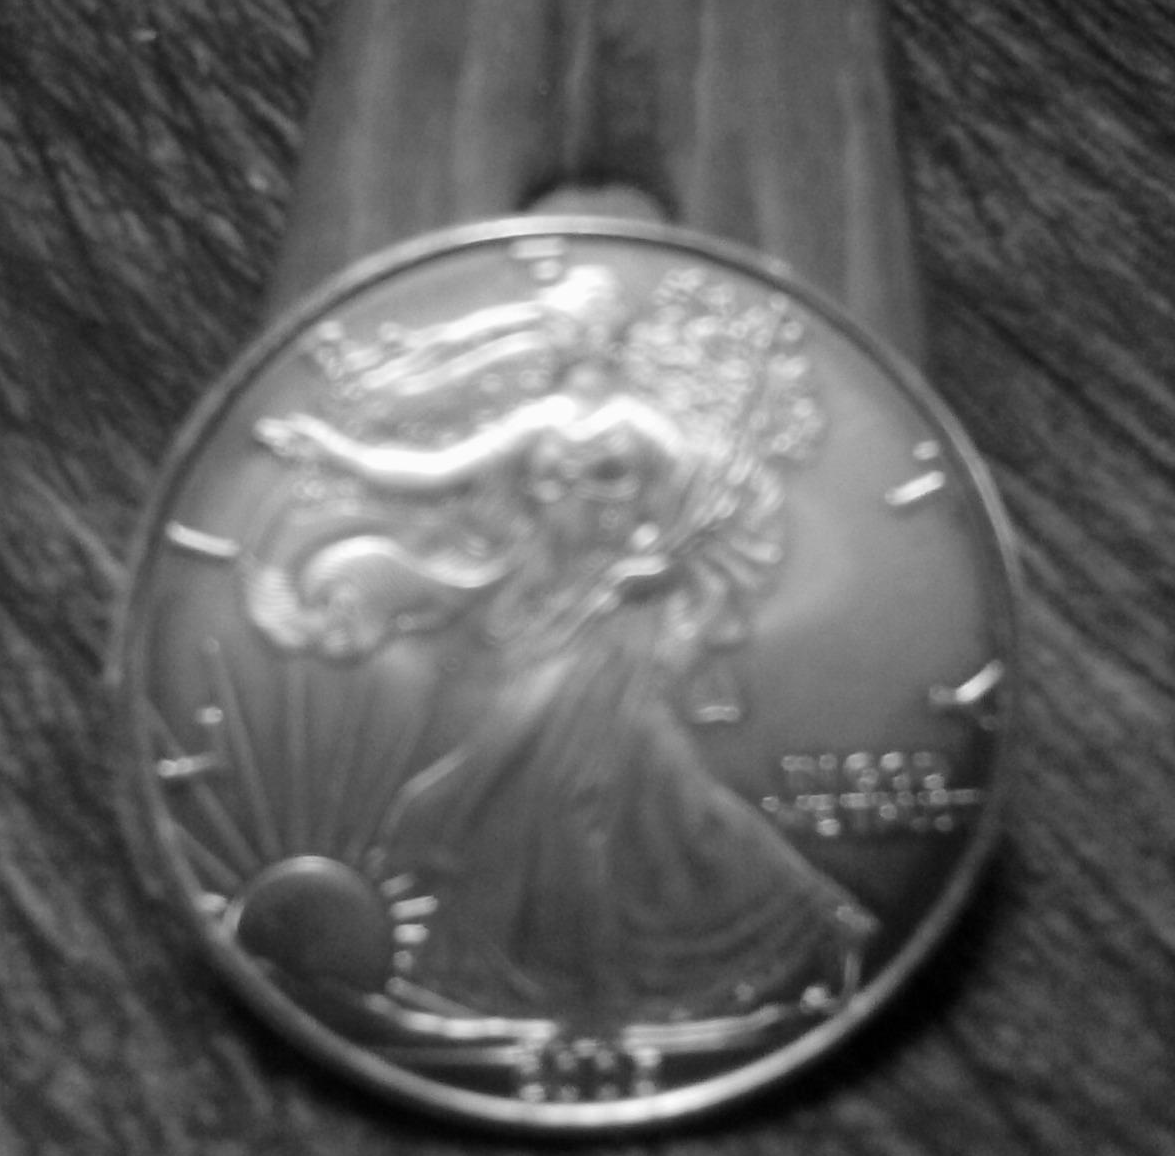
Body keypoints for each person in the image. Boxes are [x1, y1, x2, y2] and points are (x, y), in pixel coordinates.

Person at [246, 259, 876, 1031]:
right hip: (545, 611)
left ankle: (605, 989)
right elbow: (431, 472)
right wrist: (331, 449)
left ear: (604, 331)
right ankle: (589, 980)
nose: (564, 329)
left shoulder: (647, 430)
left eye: (575, 318)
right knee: (643, 793)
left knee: (559, 791)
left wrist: (660, 570)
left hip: (614, 622)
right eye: (562, 318)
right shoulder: (537, 422)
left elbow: (722, 515)